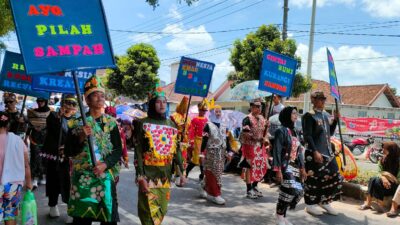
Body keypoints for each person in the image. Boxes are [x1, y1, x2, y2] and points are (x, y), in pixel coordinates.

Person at [65, 75, 122, 225]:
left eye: (102, 95)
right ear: (87, 99)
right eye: (95, 95)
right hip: (83, 180)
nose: (100, 98)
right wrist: (81, 137)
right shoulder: (75, 123)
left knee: (108, 216)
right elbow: (69, 151)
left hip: (104, 176)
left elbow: (117, 150)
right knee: (82, 219)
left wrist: (105, 164)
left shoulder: (111, 123)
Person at [133, 87, 186, 225]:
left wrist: (181, 171)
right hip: (148, 175)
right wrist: (140, 177)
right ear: (152, 104)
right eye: (158, 102)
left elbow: (176, 150)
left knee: (160, 211)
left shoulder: (172, 125)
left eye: (164, 102)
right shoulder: (142, 123)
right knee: (147, 212)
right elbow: (138, 152)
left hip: (165, 176)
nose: (162, 105)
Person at [302, 90, 342, 216]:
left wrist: (335, 120)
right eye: (320, 99)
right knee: (314, 179)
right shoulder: (309, 115)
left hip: (328, 152)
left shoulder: (325, 114)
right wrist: (315, 151)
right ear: (314, 100)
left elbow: (329, 132)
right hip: (314, 152)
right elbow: (307, 135)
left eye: (324, 99)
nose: (323, 101)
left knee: (335, 176)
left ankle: (325, 201)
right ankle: (309, 204)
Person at [41, 94, 77, 223]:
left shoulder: (77, 120)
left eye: (73, 104)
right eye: (67, 103)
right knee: (53, 181)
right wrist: (59, 117)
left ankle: (70, 209)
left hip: (69, 158)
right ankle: (53, 205)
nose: (70, 106)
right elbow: (54, 130)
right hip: (54, 156)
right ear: (62, 104)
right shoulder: (53, 116)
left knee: (69, 183)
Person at [273, 106, 307, 225]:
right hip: (284, 165)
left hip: (295, 165)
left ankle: (282, 214)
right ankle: (279, 214)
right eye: (293, 113)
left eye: (296, 113)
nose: (296, 115)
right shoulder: (280, 131)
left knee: (299, 191)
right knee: (291, 189)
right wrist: (278, 170)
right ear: (287, 115)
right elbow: (276, 151)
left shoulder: (295, 132)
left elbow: (299, 151)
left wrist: (302, 168)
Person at [0, 111, 32, 225]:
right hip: (13, 184)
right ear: (8, 125)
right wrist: (29, 183)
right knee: (10, 216)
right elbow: (26, 164)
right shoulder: (17, 140)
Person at [360, 142, 400, 214]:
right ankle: (370, 203)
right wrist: (384, 177)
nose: (382, 150)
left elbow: (398, 180)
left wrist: (388, 176)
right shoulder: (383, 159)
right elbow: (379, 172)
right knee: (373, 179)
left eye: (385, 149)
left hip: (394, 187)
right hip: (383, 184)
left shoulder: (398, 161)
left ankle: (375, 203)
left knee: (376, 180)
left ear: (391, 150)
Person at [240, 98, 268, 199]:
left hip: (260, 146)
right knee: (249, 166)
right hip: (250, 145)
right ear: (251, 107)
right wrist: (257, 138)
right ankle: (248, 189)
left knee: (261, 165)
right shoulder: (247, 119)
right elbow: (245, 134)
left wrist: (267, 128)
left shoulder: (262, 118)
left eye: (260, 106)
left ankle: (254, 186)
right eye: (256, 106)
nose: (259, 108)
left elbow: (264, 132)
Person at [200, 105, 227, 205]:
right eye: (216, 112)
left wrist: (229, 151)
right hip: (211, 152)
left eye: (219, 111)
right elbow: (204, 139)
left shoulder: (224, 124)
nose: (218, 113)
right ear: (212, 113)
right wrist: (201, 151)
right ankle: (216, 194)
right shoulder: (208, 125)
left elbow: (226, 138)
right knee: (213, 172)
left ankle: (203, 185)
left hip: (221, 152)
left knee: (218, 172)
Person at [26, 97, 51, 188]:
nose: (40, 103)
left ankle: (42, 176)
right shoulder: (33, 113)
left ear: (46, 101)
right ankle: (34, 178)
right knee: (34, 158)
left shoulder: (50, 113)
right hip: (34, 139)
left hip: (46, 139)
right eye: (38, 101)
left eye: (42, 101)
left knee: (45, 158)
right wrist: (26, 137)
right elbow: (29, 126)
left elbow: (52, 127)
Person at [170, 96, 191, 186]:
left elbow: (189, 130)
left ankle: (182, 175)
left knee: (183, 159)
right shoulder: (174, 116)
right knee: (176, 158)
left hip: (185, 140)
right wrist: (179, 131)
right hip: (176, 139)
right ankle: (177, 175)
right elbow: (171, 128)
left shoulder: (188, 118)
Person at [186, 99, 209, 180]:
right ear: (199, 110)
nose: (203, 112)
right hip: (197, 141)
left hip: (204, 141)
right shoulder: (194, 119)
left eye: (204, 110)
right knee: (196, 159)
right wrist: (191, 141)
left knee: (202, 158)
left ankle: (202, 175)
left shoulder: (207, 120)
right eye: (202, 110)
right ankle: (187, 171)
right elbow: (191, 130)